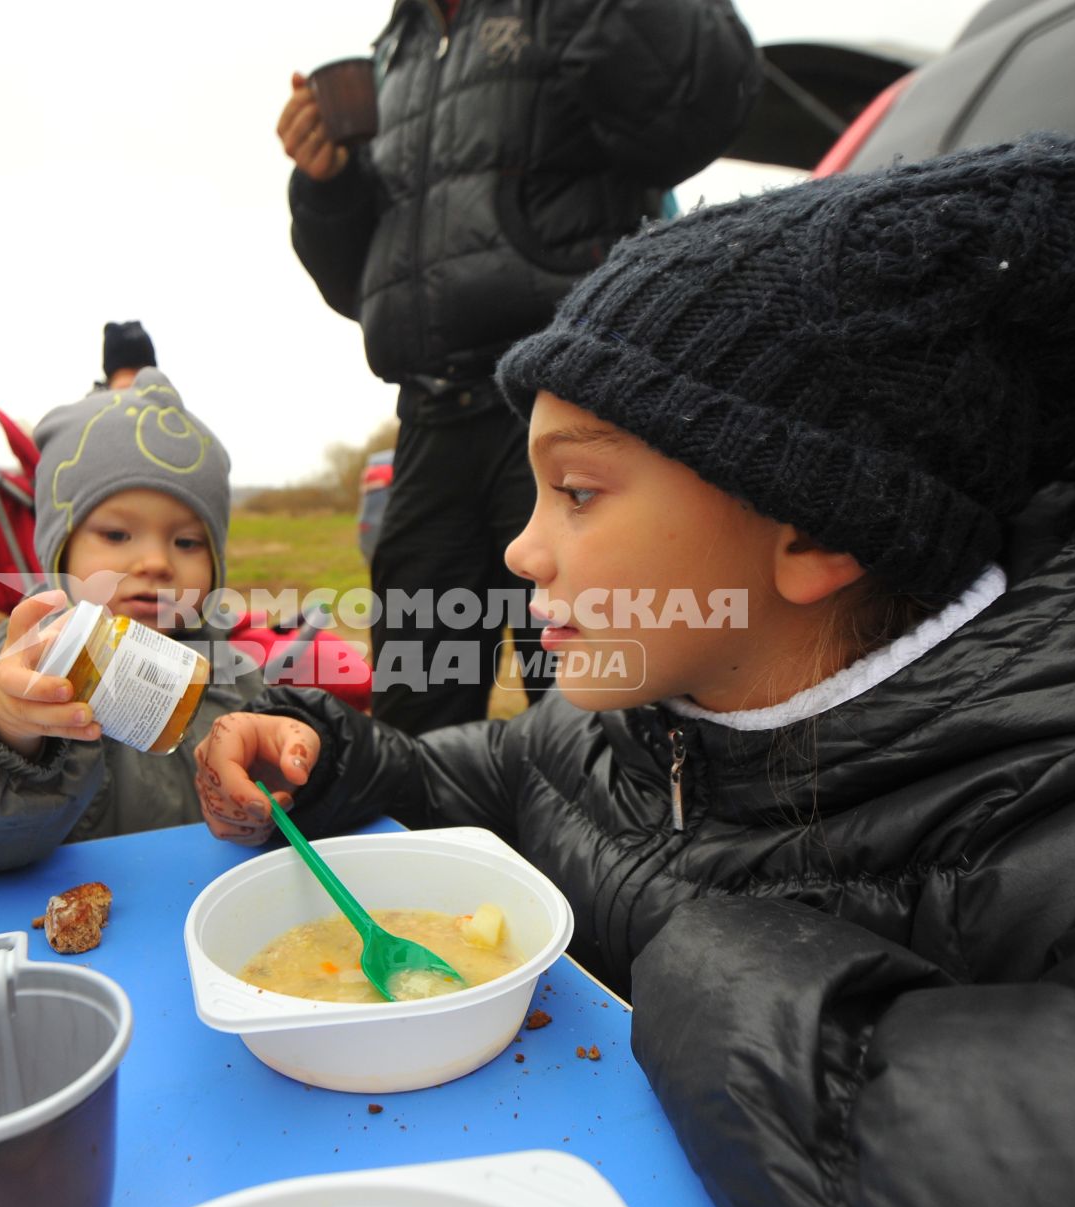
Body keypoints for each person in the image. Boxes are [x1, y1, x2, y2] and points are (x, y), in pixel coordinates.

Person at [194, 136, 1075, 1207]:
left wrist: (711, 969)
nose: (522, 547)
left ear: (817, 528)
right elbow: (482, 774)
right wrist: (326, 756)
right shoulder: (649, 722)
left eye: (577, 492)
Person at [277, 0, 759, 733]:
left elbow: (697, 104)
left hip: (567, 403)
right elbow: (370, 284)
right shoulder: (397, 49)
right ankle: (428, 849)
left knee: (595, 711)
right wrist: (327, 185)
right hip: (431, 424)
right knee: (417, 709)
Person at [0, 369, 268, 876]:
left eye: (187, 542)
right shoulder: (14, 674)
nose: (155, 562)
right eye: (117, 534)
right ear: (59, 551)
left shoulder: (236, 679)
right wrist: (8, 730)